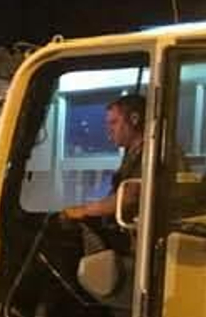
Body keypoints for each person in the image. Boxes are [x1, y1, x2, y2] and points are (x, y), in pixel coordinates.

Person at [63, 94, 147, 223]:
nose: (109, 130)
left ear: (134, 119)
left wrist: (84, 210)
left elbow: (130, 197)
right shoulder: (131, 152)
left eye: (114, 122)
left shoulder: (151, 153)